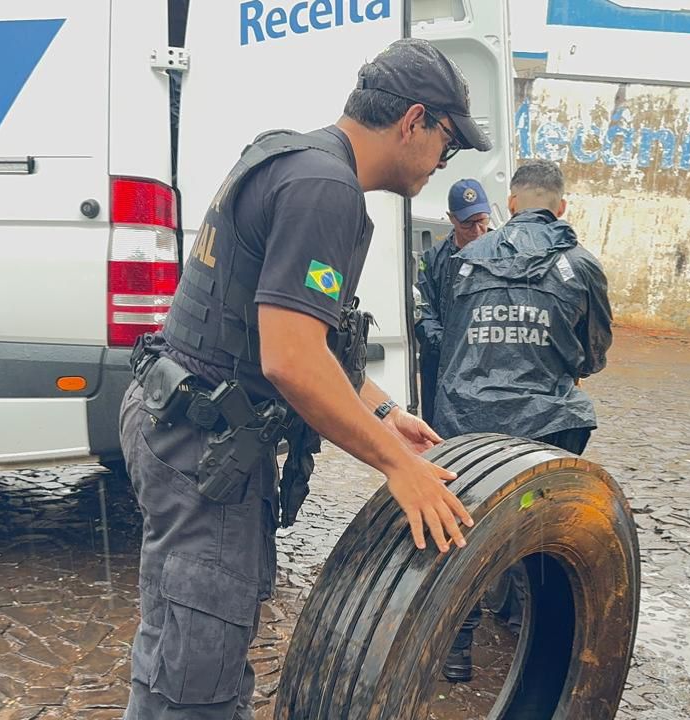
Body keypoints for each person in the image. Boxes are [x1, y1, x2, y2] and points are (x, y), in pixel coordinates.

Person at [118, 38, 490, 719]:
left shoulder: (290, 155)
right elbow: (287, 360)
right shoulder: (326, 189)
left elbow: (303, 337)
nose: (445, 162)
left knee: (180, 642)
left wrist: (381, 412)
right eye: (447, 141)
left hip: (176, 418)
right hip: (205, 450)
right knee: (195, 682)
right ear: (413, 120)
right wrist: (394, 468)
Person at [431, 159, 612, 681]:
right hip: (547, 429)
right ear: (561, 207)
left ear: (510, 204)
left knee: (462, 525)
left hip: (469, 422)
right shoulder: (582, 266)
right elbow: (592, 357)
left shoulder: (467, 260)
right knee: (538, 521)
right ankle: (526, 626)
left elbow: (454, 345)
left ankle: (457, 649)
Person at [415, 178, 492, 427]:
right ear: (451, 218)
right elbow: (422, 310)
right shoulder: (433, 259)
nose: (477, 231)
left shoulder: (503, 253)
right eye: (468, 223)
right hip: (440, 362)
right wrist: (448, 345)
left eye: (482, 220)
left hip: (487, 360)